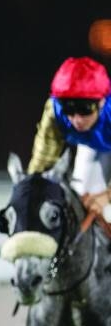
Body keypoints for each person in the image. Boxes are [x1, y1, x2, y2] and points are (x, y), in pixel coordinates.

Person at [27, 56, 111, 217]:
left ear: (101, 102)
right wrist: (31, 188)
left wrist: (107, 196)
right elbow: (43, 160)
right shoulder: (54, 111)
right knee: (80, 201)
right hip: (91, 145)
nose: (77, 119)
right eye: (68, 109)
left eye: (85, 108)